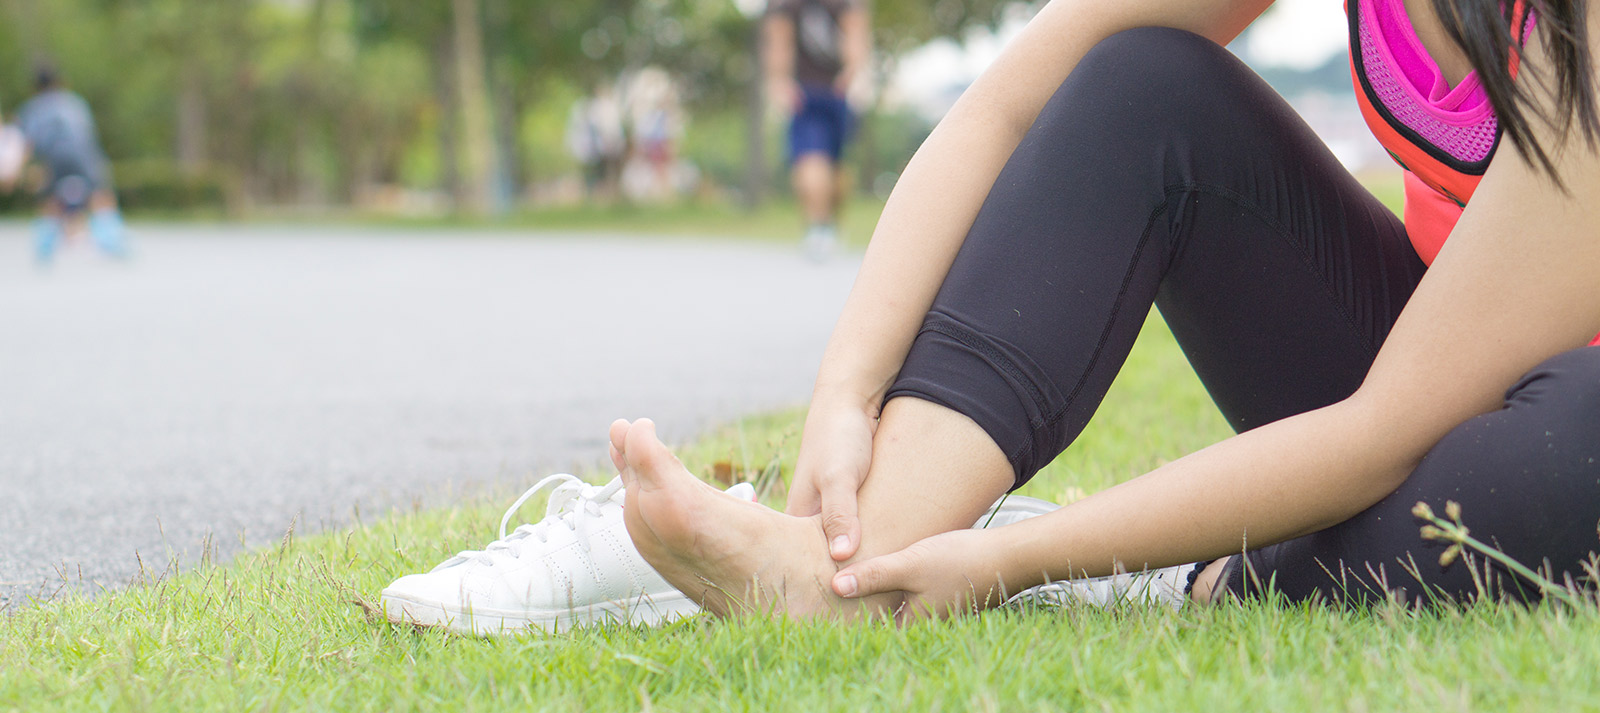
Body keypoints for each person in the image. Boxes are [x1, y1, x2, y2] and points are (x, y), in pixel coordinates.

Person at [384, 0, 1600, 632]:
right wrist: (844, 396)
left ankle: (1143, 567)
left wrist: (1016, 556)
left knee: (1564, 453)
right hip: (1429, 375)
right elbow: (1006, 105)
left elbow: (1391, 425)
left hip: (1532, 420)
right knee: (1139, 84)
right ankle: (836, 549)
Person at [764, 0, 870, 260]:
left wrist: (780, 84)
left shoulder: (785, 6)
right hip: (836, 92)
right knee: (833, 164)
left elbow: (779, 48)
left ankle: (819, 227)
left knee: (810, 160)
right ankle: (827, 227)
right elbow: (856, 42)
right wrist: (849, 76)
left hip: (805, 93)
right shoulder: (843, 4)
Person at [9, 65, 129, 264]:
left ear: (34, 87)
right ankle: (111, 237)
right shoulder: (74, 101)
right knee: (99, 193)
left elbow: (26, 144)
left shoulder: (31, 107)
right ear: (60, 81)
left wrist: (18, 171)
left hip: (53, 155)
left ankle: (45, 244)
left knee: (49, 197)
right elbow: (88, 132)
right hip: (83, 151)